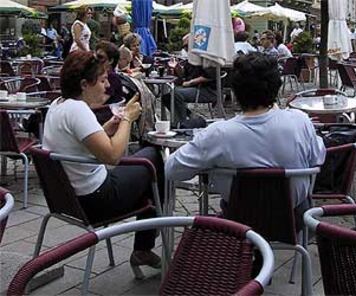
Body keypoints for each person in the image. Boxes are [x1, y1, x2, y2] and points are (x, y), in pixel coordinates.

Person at [42, 51, 164, 279]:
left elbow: (82, 142)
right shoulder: (77, 110)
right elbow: (112, 156)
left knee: (148, 183)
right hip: (97, 200)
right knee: (153, 156)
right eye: (102, 80)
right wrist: (127, 118)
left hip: (68, 201)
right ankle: (151, 233)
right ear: (84, 84)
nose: (107, 86)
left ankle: (150, 227)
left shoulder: (57, 106)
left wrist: (107, 127)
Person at [165, 52, 326, 225]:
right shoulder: (299, 121)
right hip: (295, 221)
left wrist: (212, 166)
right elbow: (318, 157)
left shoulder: (218, 134)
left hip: (238, 226)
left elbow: (172, 170)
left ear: (235, 89)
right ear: (276, 87)